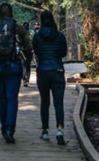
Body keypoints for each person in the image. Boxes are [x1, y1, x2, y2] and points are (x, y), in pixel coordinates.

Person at [0, 2, 34, 143]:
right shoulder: (18, 28)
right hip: (14, 66)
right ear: (12, 13)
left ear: (0, 13)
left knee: (2, 97)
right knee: (12, 98)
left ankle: (3, 128)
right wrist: (26, 65)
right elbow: (28, 48)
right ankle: (10, 129)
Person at [30, 9, 70, 144]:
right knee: (58, 102)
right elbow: (63, 53)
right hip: (57, 70)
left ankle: (45, 131)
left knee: (45, 102)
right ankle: (59, 129)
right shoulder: (60, 36)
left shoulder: (37, 36)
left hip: (42, 71)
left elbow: (36, 51)